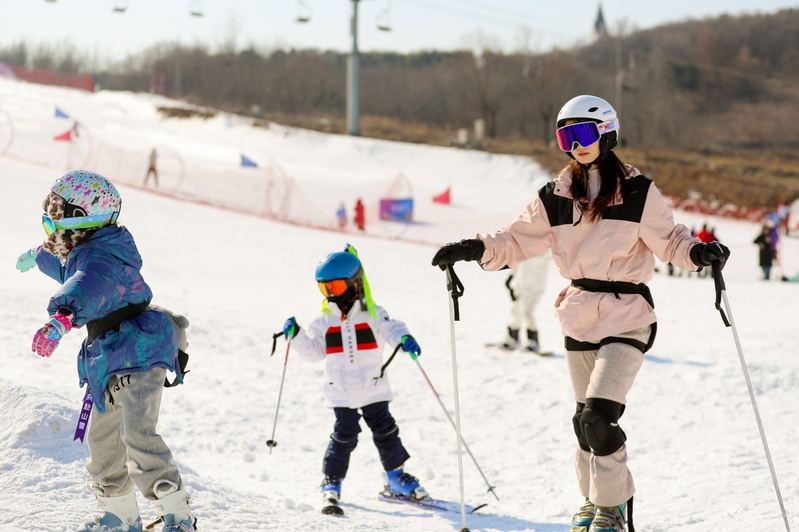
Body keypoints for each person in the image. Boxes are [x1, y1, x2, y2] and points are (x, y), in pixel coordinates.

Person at [430, 95, 730, 532]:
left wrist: (699, 251)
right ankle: (594, 499)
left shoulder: (637, 192)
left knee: (598, 417)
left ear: (607, 131)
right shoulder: (556, 196)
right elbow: (515, 239)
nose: (576, 144)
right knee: (582, 421)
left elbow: (671, 241)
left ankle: (613, 507)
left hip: (628, 314)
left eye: (584, 133)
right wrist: (474, 248)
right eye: (565, 135)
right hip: (578, 314)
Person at [15, 169, 196, 532]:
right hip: (111, 352)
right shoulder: (90, 246)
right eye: (49, 203)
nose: (49, 212)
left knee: (138, 435)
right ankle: (120, 516)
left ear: (82, 215)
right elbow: (69, 265)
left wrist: (62, 319)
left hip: (139, 351)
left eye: (57, 206)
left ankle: (177, 514)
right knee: (103, 442)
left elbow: (88, 284)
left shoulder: (104, 256)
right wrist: (39, 255)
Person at [282, 246, 428, 507]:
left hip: (373, 385)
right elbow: (315, 353)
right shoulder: (324, 321)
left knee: (386, 431)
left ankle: (395, 476)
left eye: (336, 287)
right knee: (345, 435)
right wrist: (297, 336)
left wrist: (403, 339)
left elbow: (392, 328)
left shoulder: (373, 313)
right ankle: (332, 479)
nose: (331, 295)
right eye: (325, 289)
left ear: (354, 282)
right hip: (340, 390)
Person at [501, 251, 550, 353]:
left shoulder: (543, 249)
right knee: (515, 310)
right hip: (520, 285)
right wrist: (511, 276)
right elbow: (517, 261)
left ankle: (533, 341)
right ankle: (512, 338)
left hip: (534, 288)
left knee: (527, 312)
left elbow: (545, 258)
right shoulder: (523, 246)